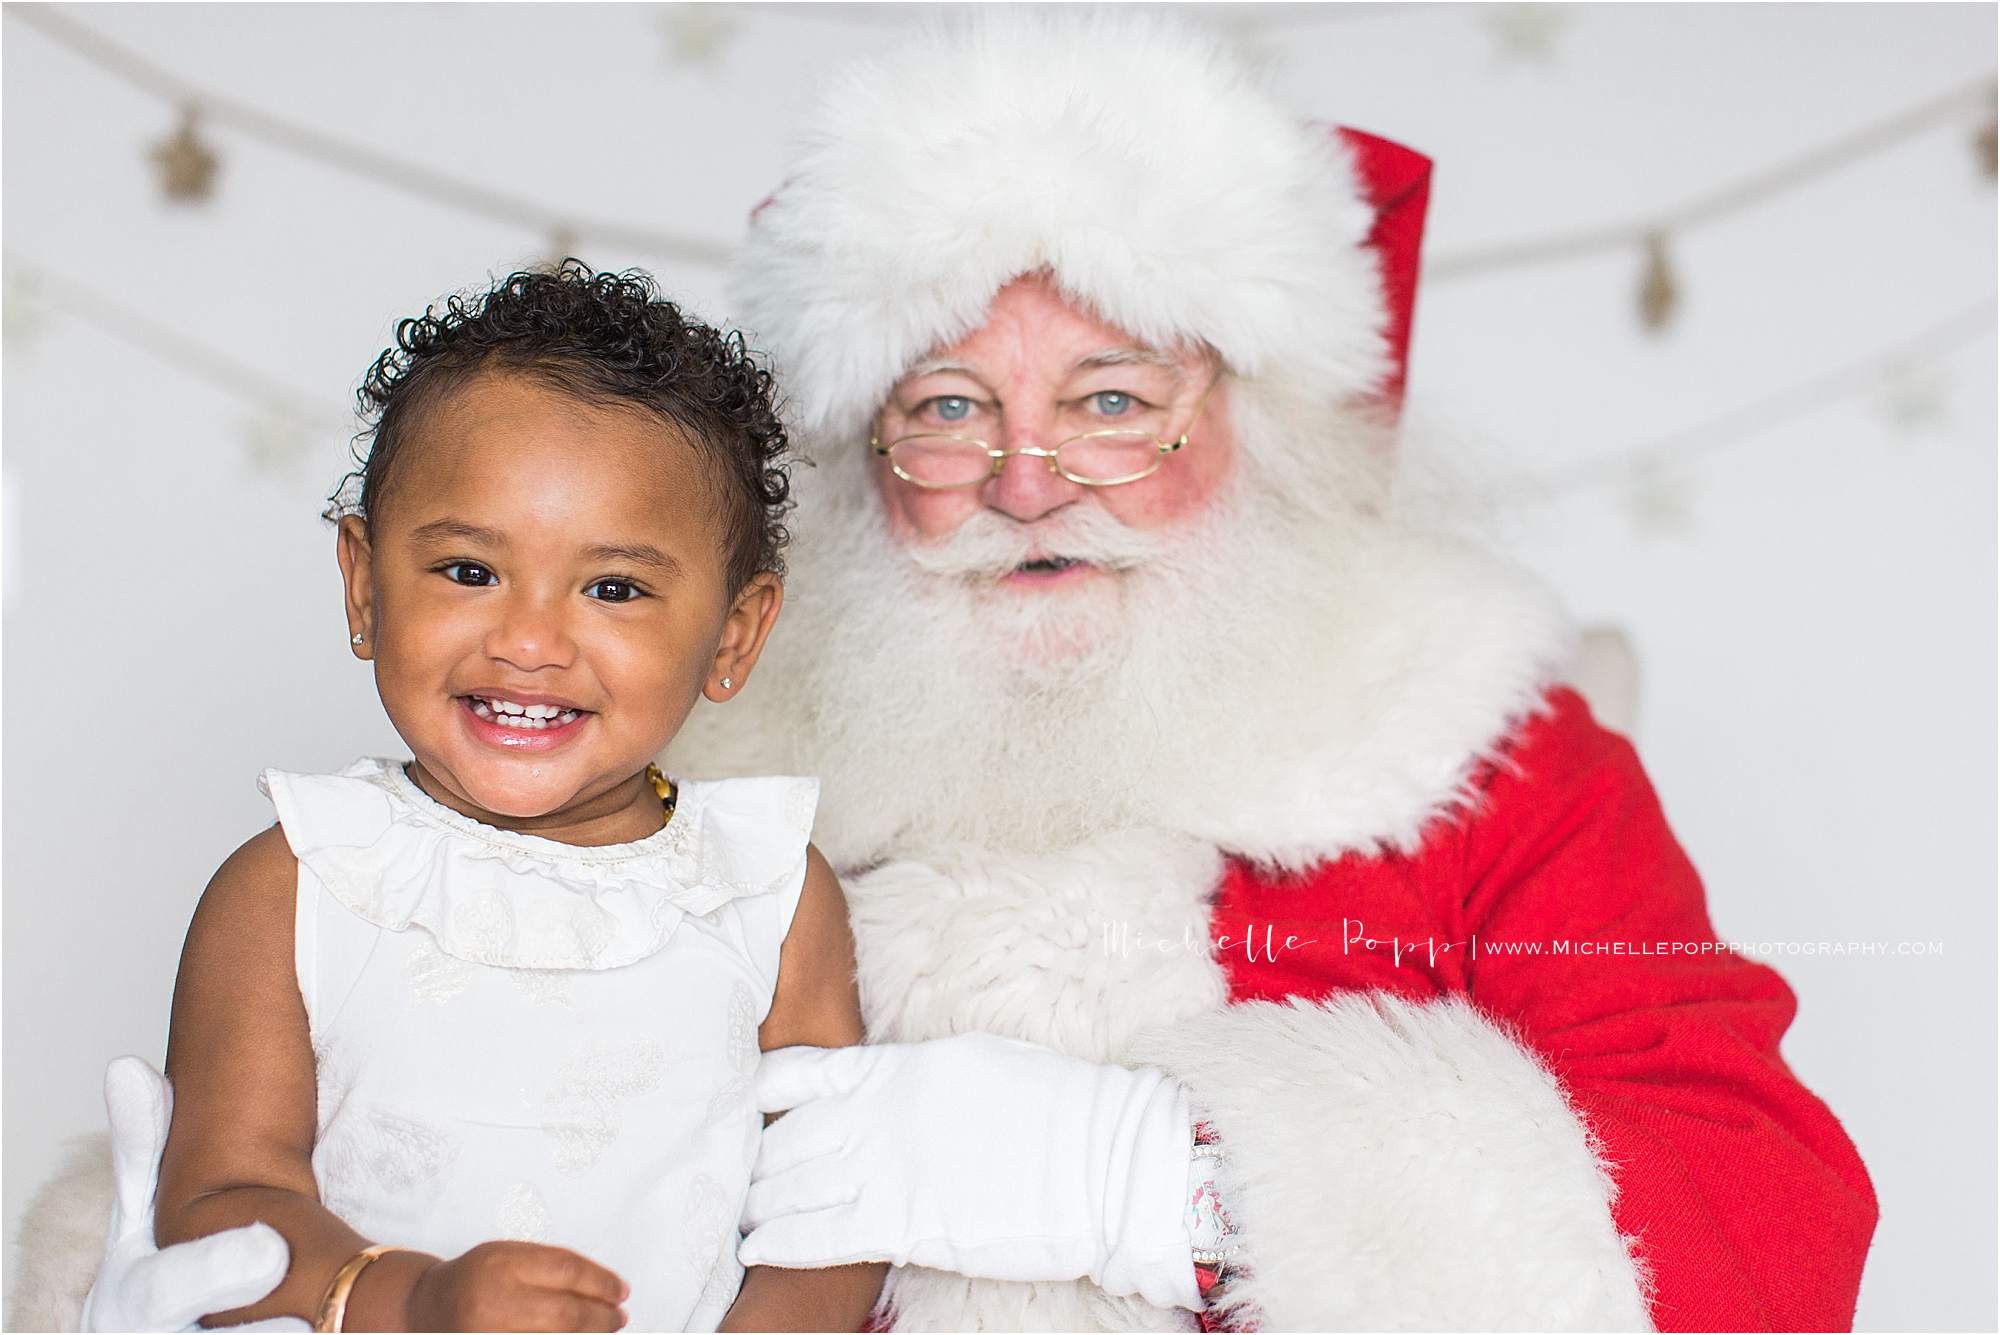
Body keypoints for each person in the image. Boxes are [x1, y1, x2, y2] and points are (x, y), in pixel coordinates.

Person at [10, 11, 1877, 1333]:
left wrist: (1168, 1182)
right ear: (848, 462)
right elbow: (367, 1137)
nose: (1029, 477)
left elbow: (1769, 1218)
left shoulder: (1475, 745)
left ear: (1279, 426)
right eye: (949, 409)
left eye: (1119, 403)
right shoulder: (665, 740)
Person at [89, 264, 885, 1332]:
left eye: (613, 588)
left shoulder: (768, 894)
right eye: (468, 570)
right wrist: (413, 1300)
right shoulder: (299, 882)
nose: (527, 642)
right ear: (365, 585)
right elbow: (223, 1199)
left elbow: (825, 1218)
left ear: (732, 636)